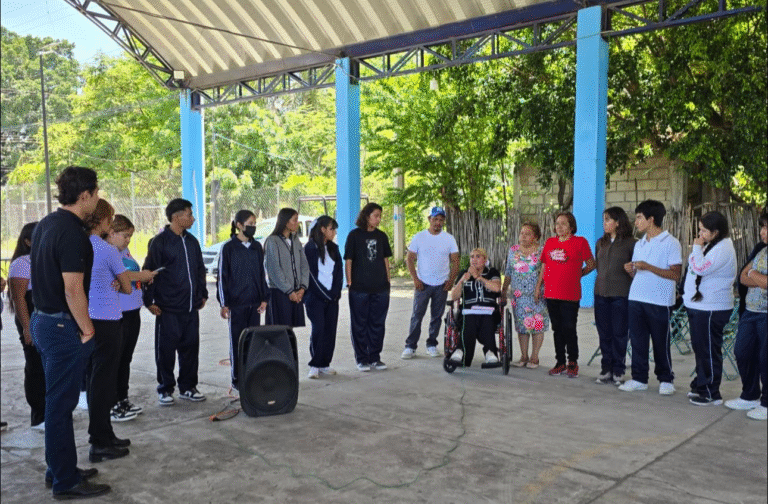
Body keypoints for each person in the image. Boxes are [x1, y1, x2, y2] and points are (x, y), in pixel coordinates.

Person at [29, 166, 109, 499]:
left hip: (43, 320)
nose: (98, 199)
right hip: (62, 326)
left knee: (56, 404)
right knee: (60, 408)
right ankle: (66, 482)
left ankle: (59, 469)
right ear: (85, 194)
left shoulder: (47, 223)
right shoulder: (73, 232)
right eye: (96, 193)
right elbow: (73, 289)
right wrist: (88, 329)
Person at [84, 199, 138, 461]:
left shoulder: (81, 246)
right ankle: (100, 440)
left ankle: (104, 433)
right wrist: (118, 280)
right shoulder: (107, 251)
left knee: (95, 379)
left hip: (88, 318)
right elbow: (127, 287)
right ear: (104, 221)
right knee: (104, 382)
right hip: (107, 319)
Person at [143, 198, 208, 406]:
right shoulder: (159, 242)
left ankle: (188, 387)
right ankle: (165, 388)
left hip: (190, 307)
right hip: (167, 308)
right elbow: (149, 272)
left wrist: (202, 293)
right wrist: (148, 301)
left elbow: (199, 269)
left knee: (190, 349)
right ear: (176, 217)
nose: (193, 218)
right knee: (166, 351)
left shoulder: (192, 242)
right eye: (189, 214)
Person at [619, 200, 682, 396]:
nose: (636, 222)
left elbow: (675, 274)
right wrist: (631, 270)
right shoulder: (639, 243)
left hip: (660, 301)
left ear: (651, 219)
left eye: (639, 217)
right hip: (636, 297)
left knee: (660, 342)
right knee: (638, 341)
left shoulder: (671, 242)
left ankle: (666, 379)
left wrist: (648, 266)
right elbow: (638, 273)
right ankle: (639, 378)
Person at [682, 211, 737, 406]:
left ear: (716, 232)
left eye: (704, 231)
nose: (700, 234)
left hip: (712, 307)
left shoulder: (723, 248)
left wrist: (697, 249)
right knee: (700, 348)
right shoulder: (712, 245)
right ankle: (701, 384)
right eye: (700, 230)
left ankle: (711, 393)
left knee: (708, 350)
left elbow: (700, 268)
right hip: (700, 305)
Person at [105, 215, 157, 419]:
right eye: (125, 236)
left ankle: (122, 399)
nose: (128, 240)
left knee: (125, 359)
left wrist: (142, 279)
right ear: (112, 233)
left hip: (133, 311)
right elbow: (117, 276)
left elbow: (126, 276)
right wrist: (140, 276)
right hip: (118, 313)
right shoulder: (106, 252)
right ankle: (111, 403)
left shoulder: (123, 251)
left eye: (130, 236)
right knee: (115, 360)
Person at [535, 212, 595, 378]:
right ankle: (560, 362)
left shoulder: (580, 242)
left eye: (563, 223)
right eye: (557, 223)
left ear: (571, 226)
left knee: (569, 328)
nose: (559, 226)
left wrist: (579, 274)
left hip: (570, 294)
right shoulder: (550, 242)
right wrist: (539, 286)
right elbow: (544, 266)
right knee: (557, 329)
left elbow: (591, 264)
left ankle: (572, 362)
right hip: (551, 293)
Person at [216, 210, 269, 396]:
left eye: (255, 223)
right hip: (237, 305)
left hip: (254, 304)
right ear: (239, 225)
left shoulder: (256, 247)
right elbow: (222, 276)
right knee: (237, 342)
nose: (253, 227)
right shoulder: (228, 248)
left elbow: (262, 274)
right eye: (250, 223)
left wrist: (264, 298)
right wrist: (224, 303)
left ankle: (251, 377)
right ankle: (237, 380)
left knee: (253, 342)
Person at [401, 206, 459, 359]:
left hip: (441, 284)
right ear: (429, 219)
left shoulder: (449, 238)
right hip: (423, 283)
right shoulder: (419, 237)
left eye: (441, 220)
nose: (438, 222)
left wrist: (451, 281)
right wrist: (415, 279)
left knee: (436, 317)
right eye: (435, 219)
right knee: (417, 315)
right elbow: (409, 259)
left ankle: (432, 344)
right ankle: (410, 346)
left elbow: (456, 261)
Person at [726, 210, 767, 420]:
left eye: (766, 228)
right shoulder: (761, 250)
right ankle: (750, 395)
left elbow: (766, 283)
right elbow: (743, 276)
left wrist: (754, 275)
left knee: (765, 358)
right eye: (762, 227)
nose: (762, 232)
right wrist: (755, 276)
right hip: (750, 311)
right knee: (742, 352)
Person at [345, 203, 392, 372]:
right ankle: (361, 359)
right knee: (359, 324)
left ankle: (375, 358)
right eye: (376, 216)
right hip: (359, 289)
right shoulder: (354, 235)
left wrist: (388, 281)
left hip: (380, 288)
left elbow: (385, 260)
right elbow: (348, 260)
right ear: (366, 216)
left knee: (378, 323)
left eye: (380, 216)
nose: (378, 219)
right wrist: (350, 282)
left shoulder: (382, 236)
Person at [8, 222, 46, 430]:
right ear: (28, 241)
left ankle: (51, 410)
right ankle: (39, 415)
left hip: (47, 316)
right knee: (35, 366)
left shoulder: (46, 258)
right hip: (31, 316)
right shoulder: (22, 263)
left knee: (48, 365)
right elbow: (19, 298)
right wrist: (26, 327)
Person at [593, 207, 636, 385]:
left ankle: (619, 369)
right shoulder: (600, 243)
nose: (604, 223)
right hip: (601, 293)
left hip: (621, 294)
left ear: (618, 222)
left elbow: (635, 270)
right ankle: (606, 369)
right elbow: (599, 266)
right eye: (604, 219)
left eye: (608, 219)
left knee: (619, 333)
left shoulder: (631, 243)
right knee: (604, 333)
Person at [502, 222, 548, 369]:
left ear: (536, 237)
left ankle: (535, 357)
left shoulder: (542, 250)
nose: (523, 236)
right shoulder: (513, 250)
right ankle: (523, 356)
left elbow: (545, 271)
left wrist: (538, 288)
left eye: (527, 234)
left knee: (537, 325)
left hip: (537, 294)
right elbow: (508, 271)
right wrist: (504, 290)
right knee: (522, 325)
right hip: (518, 295)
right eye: (522, 233)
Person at [304, 216, 344, 379]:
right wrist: (324, 294)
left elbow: (339, 273)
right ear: (322, 229)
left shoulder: (334, 248)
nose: (334, 232)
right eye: (331, 229)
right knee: (319, 328)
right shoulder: (310, 248)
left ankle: (325, 363)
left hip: (332, 298)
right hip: (315, 298)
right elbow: (310, 276)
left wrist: (335, 292)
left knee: (330, 330)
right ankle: (315, 364)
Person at [449, 247, 501, 366]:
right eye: (472, 257)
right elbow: (454, 296)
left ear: (485, 259)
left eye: (478, 256)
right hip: (468, 311)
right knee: (469, 319)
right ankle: (460, 351)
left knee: (487, 319)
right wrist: (462, 280)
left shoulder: (492, 272)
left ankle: (490, 352)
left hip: (489, 311)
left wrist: (478, 277)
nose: (474, 259)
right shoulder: (464, 273)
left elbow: (497, 288)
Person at [264, 207, 309, 327]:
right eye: (295, 220)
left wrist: (302, 288)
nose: (297, 223)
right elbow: (274, 269)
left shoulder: (295, 240)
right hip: (280, 293)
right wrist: (289, 291)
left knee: (289, 329)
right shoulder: (273, 241)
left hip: (296, 291)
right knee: (279, 330)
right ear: (285, 222)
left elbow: (304, 265)